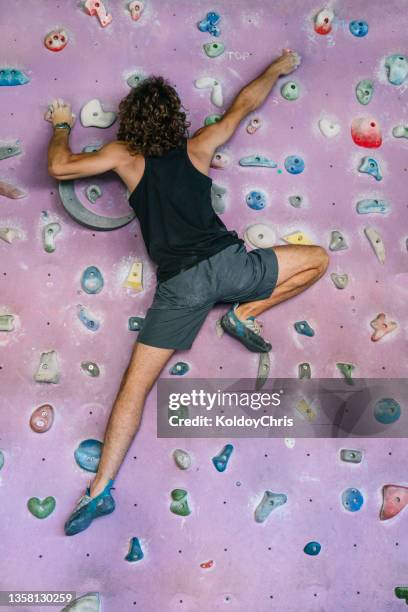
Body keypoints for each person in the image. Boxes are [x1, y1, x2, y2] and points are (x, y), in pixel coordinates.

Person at [46, 49, 329, 536]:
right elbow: (244, 105)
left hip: (181, 287)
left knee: (132, 390)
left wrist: (61, 124)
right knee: (319, 259)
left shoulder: (125, 157)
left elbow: (60, 167)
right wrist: (275, 71)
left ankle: (98, 492)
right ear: (175, 117)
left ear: (132, 120)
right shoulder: (198, 147)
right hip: (231, 267)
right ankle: (245, 314)